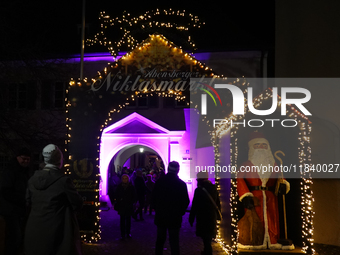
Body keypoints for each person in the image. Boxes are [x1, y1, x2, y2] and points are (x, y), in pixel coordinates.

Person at [237, 132, 292, 250]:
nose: (261, 148)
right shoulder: (245, 165)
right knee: (256, 220)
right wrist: (245, 195)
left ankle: (272, 241)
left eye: (264, 145)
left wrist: (283, 184)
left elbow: (281, 178)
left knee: (272, 219)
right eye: (258, 145)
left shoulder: (274, 164)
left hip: (270, 197)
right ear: (252, 147)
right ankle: (257, 241)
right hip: (254, 197)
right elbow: (240, 179)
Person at [25, 144, 83, 255]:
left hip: (34, 230)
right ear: (59, 160)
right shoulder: (63, 182)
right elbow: (78, 203)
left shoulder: (32, 180)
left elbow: (28, 201)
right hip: (57, 232)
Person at [152, 161, 190, 255]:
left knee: (160, 240)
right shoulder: (181, 184)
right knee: (174, 242)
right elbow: (186, 201)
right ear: (178, 170)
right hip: (175, 217)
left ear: (168, 169)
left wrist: (157, 209)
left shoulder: (160, 182)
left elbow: (153, 198)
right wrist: (180, 212)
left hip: (161, 216)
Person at [0, 147, 31, 255]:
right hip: (11, 210)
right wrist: (22, 201)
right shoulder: (10, 171)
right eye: (24, 159)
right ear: (17, 157)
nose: (26, 161)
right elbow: (6, 191)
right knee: (14, 238)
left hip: (17, 210)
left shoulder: (23, 171)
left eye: (28, 159)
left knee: (16, 237)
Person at [189, 171, 221, 255]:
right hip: (211, 215)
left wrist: (191, 218)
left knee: (205, 236)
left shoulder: (198, 190)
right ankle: (207, 250)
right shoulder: (214, 188)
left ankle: (207, 251)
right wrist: (218, 215)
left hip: (202, 216)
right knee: (209, 236)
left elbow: (195, 205)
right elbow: (218, 202)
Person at [114, 174, 136, 240]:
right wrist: (119, 200)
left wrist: (132, 201)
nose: (124, 180)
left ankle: (128, 233)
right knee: (122, 220)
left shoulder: (131, 187)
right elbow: (116, 195)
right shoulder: (119, 187)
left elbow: (134, 195)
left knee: (128, 220)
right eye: (123, 178)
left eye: (126, 178)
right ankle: (122, 234)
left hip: (128, 205)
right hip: (122, 205)